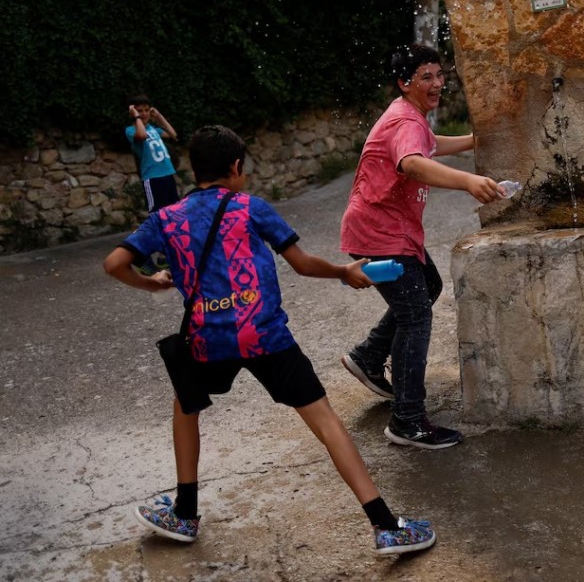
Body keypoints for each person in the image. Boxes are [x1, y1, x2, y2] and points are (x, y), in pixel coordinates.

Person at [103, 125, 436, 555]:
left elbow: (114, 263)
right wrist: (343, 271)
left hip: (207, 341)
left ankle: (184, 513)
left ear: (194, 169)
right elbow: (302, 263)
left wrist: (153, 283)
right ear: (236, 167)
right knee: (325, 420)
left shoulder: (165, 218)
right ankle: (385, 525)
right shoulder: (251, 208)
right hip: (265, 335)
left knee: (185, 406)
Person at [340, 44, 503, 450]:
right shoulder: (405, 121)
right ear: (404, 82)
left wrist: (476, 140)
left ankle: (367, 357)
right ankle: (407, 420)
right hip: (381, 235)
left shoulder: (409, 116)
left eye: (439, 74)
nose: (437, 83)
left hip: (383, 230)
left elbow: (429, 144)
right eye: (425, 77)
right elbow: (412, 161)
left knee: (427, 286)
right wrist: (467, 181)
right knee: (415, 318)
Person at [125, 94, 180, 214]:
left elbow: (173, 134)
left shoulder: (153, 129)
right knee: (157, 214)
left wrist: (159, 116)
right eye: (140, 111)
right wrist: (136, 117)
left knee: (174, 212)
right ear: (133, 112)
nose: (144, 114)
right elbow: (142, 135)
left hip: (168, 174)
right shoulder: (130, 130)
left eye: (146, 110)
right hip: (153, 178)